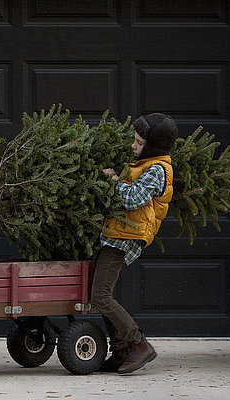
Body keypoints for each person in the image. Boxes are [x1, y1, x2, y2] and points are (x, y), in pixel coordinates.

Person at [92, 113, 177, 375]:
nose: (133, 146)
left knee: (100, 296)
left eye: (139, 143)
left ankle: (138, 344)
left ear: (151, 146)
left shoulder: (158, 170)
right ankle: (119, 351)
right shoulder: (146, 163)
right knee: (103, 295)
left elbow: (132, 199)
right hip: (117, 232)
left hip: (126, 237)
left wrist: (112, 182)